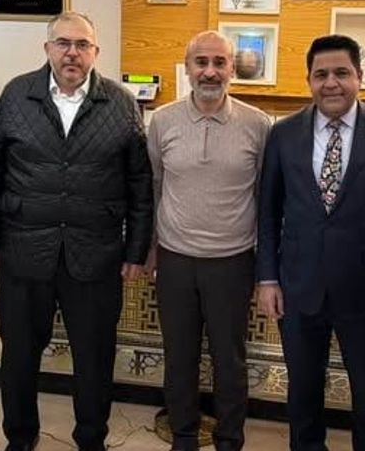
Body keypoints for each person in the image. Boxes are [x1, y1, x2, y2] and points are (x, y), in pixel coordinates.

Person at [0, 11, 152, 451]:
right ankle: (20, 437)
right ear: (47, 48)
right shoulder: (16, 95)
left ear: (96, 52)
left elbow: (140, 184)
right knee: (19, 355)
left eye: (82, 44)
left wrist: (135, 250)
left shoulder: (121, 103)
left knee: (94, 357)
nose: (72, 53)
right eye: (63, 43)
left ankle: (91, 439)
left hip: (96, 255)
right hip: (23, 252)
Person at [256, 34, 365, 451]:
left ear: (360, 77)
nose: (331, 83)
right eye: (321, 74)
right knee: (303, 394)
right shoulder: (283, 133)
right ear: (309, 80)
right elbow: (267, 212)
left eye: (342, 73)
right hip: (299, 288)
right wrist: (267, 279)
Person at [146, 31, 271, 451]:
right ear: (188, 68)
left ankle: (229, 439)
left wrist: (265, 265)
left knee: (229, 360)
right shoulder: (162, 120)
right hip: (175, 260)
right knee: (179, 357)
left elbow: (265, 197)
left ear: (233, 68)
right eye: (201, 62)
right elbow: (154, 187)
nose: (210, 72)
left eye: (220, 62)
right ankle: (183, 437)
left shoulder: (257, 124)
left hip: (232, 261)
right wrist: (150, 250)